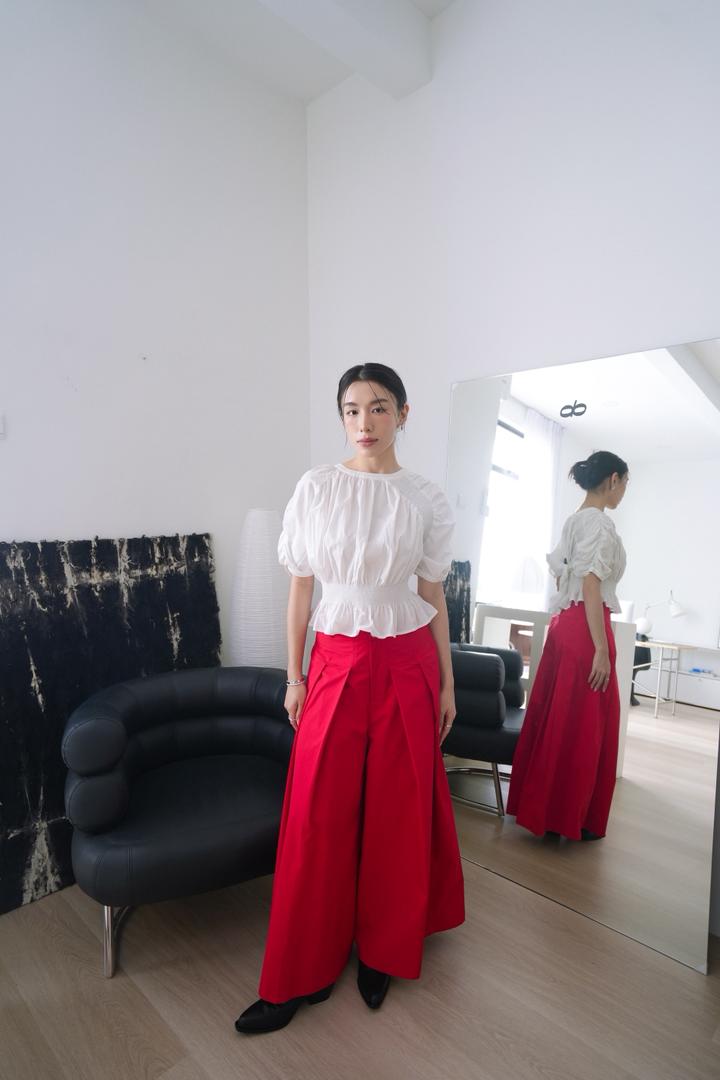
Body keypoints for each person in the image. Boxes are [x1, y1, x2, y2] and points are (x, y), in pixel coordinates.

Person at [235, 363, 465, 1034]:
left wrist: (447, 681)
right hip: (333, 663)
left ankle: (382, 951)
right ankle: (298, 972)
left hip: (408, 661)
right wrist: (294, 675)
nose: (365, 422)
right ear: (342, 417)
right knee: (316, 813)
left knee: (397, 811)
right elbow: (301, 588)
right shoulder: (316, 488)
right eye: (352, 410)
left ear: (403, 414)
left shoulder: (424, 498)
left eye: (379, 407)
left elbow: (431, 594)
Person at [506, 451, 629, 842]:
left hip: (564, 628)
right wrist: (601, 649)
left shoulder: (573, 521)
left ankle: (547, 813)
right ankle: (570, 817)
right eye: (625, 483)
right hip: (586, 630)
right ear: (613, 479)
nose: (624, 491)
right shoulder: (601, 525)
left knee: (559, 718)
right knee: (586, 724)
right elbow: (591, 585)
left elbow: (564, 582)